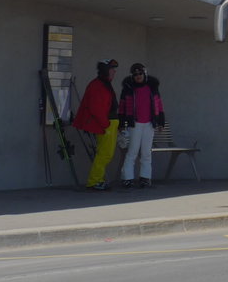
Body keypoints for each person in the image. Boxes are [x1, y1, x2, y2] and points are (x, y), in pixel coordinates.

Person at [71, 58, 119, 191]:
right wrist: (106, 124)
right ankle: (94, 181)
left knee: (106, 154)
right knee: (104, 154)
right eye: (112, 69)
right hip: (106, 124)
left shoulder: (104, 84)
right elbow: (95, 108)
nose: (114, 72)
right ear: (106, 71)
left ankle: (98, 179)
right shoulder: (97, 85)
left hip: (110, 123)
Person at [117, 62, 166, 190]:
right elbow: (122, 106)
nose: (138, 76)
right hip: (135, 124)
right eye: (135, 74)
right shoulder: (128, 87)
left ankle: (145, 178)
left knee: (146, 153)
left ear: (144, 74)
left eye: (140, 73)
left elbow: (159, 104)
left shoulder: (152, 86)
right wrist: (121, 123)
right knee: (132, 152)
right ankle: (127, 178)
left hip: (149, 124)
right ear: (132, 76)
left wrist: (161, 121)